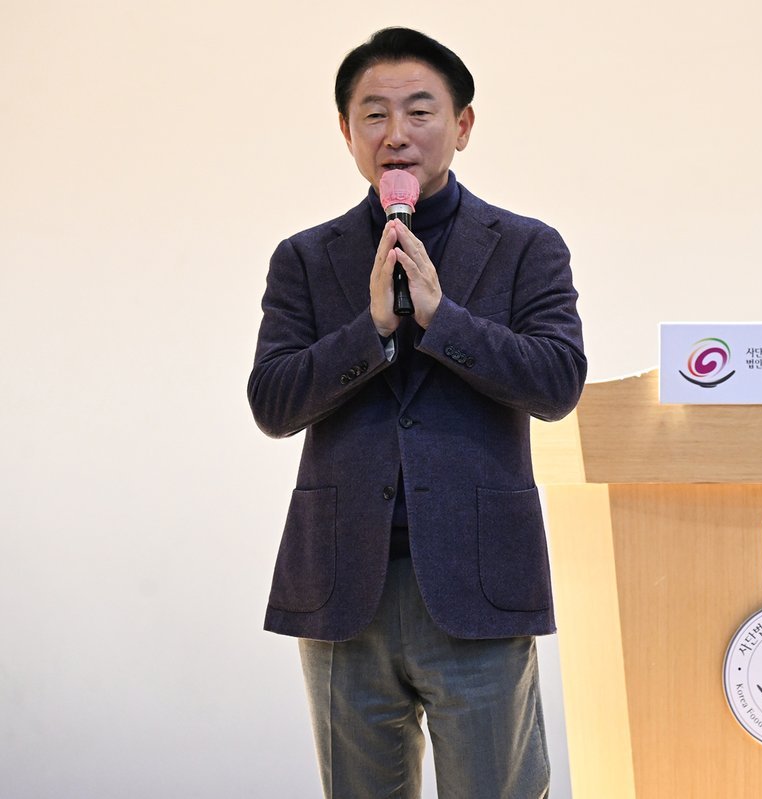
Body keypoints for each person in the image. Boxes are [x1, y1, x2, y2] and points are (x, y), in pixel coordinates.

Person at [248, 27, 586, 798]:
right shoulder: (306, 257)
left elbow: (558, 382)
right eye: (373, 114)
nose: (395, 133)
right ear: (347, 133)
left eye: (419, 111)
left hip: (479, 581)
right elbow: (273, 401)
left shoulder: (526, 247)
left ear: (462, 125)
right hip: (343, 587)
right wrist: (369, 329)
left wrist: (441, 318)